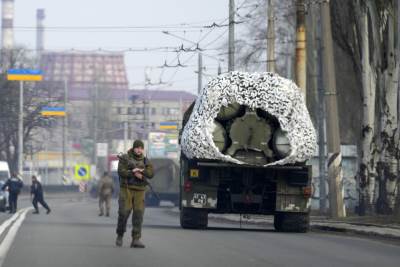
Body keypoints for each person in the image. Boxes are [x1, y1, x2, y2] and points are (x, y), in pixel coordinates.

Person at [116, 140, 154, 248]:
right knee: (123, 213)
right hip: (127, 189)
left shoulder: (146, 161)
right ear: (133, 148)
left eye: (141, 148)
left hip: (140, 190)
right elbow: (121, 172)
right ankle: (120, 234)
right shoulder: (125, 158)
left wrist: (141, 172)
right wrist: (132, 173)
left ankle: (136, 239)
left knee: (138, 214)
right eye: (137, 148)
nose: (139, 150)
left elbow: (151, 174)